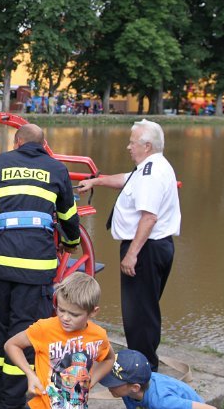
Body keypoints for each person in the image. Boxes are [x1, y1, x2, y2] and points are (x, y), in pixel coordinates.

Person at [0, 123, 81, 409]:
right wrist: (72, 242)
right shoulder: (57, 169)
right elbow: (68, 215)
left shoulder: (0, 163)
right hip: (35, 266)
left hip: (0, 262)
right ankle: (13, 403)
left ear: (17, 142)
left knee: (1, 326)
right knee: (25, 331)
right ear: (44, 143)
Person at [76, 119, 180, 372]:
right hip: (153, 247)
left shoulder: (151, 174)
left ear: (147, 146)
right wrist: (96, 181)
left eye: (132, 143)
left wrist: (132, 254)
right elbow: (126, 179)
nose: (128, 147)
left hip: (145, 248)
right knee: (145, 308)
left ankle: (141, 370)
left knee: (139, 314)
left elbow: (149, 217)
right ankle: (143, 361)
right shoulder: (150, 167)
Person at [4, 272, 115, 409]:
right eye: (61, 310)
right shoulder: (44, 329)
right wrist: (30, 375)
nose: (65, 318)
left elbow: (109, 359)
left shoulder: (98, 335)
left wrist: (91, 381)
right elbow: (11, 345)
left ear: (93, 312)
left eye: (74, 314)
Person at [100, 349, 219, 409]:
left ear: (135, 387)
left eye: (113, 382)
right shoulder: (129, 390)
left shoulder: (162, 402)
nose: (108, 386)